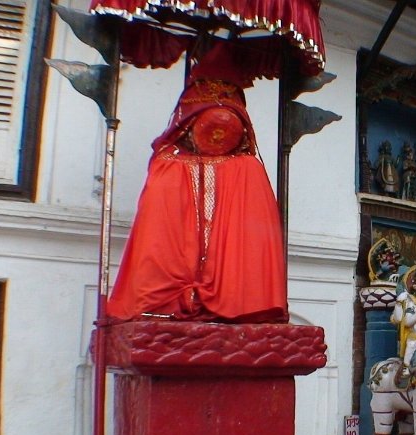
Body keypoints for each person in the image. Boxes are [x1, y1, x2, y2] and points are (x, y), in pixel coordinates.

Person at [107, 45, 287, 324]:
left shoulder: (248, 169)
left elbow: (255, 244)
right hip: (164, 302)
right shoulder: (168, 166)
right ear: (187, 125)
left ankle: (226, 301)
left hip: (237, 303)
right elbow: (156, 239)